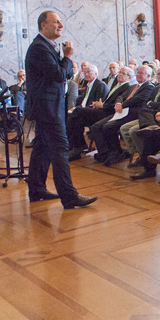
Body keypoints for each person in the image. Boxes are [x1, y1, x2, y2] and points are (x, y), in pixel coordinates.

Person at [24, 11, 96, 209]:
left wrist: (66, 62)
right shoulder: (40, 48)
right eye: (56, 22)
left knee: (41, 150)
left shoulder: (46, 46)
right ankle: (69, 196)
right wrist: (68, 57)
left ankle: (37, 189)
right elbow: (58, 74)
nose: (61, 26)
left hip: (48, 107)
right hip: (48, 109)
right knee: (60, 150)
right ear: (43, 25)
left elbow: (67, 72)